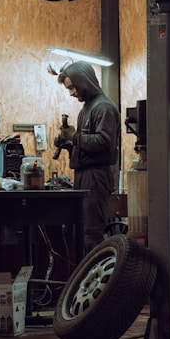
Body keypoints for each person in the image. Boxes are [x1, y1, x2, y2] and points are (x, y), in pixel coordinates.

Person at [56, 61, 121, 257]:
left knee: (92, 235)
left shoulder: (104, 108)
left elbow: (104, 142)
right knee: (81, 234)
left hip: (96, 177)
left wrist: (74, 137)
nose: (71, 93)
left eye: (72, 87)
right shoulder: (87, 109)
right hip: (84, 175)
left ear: (83, 81)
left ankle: (99, 286)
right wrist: (69, 144)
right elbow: (87, 144)